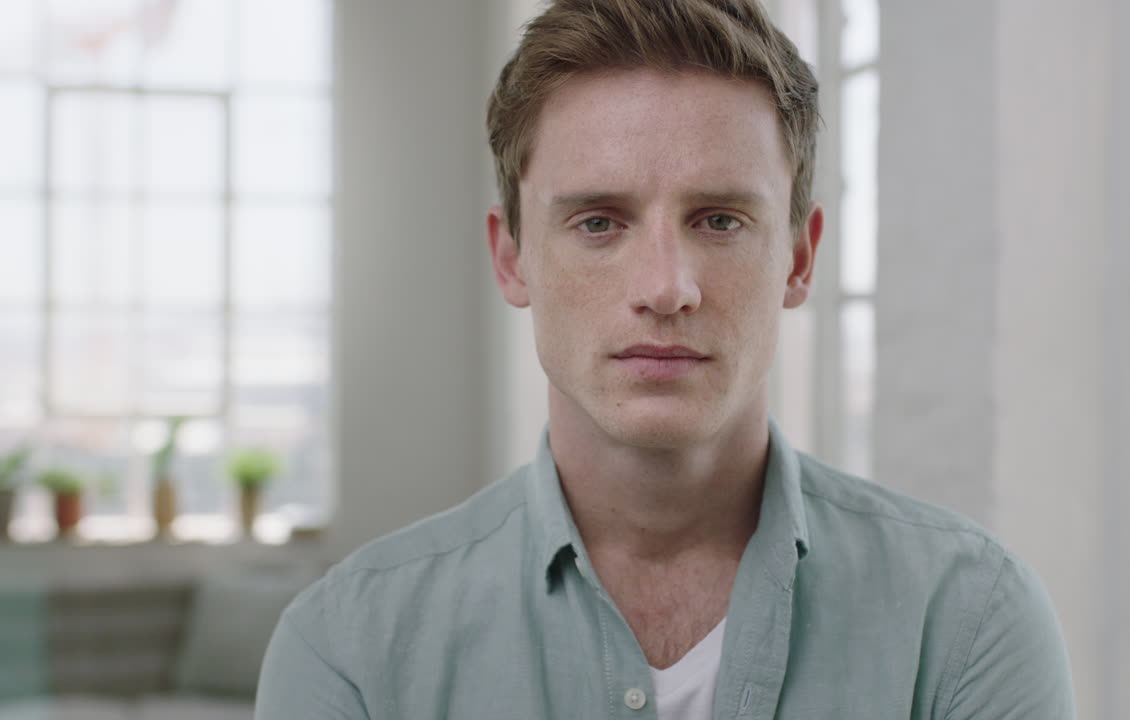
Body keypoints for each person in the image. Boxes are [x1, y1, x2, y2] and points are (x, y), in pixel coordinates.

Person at [255, 0, 1076, 717]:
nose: (666, 287)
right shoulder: (352, 648)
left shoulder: (969, 621)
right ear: (512, 260)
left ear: (797, 257)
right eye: (599, 222)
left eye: (719, 220)